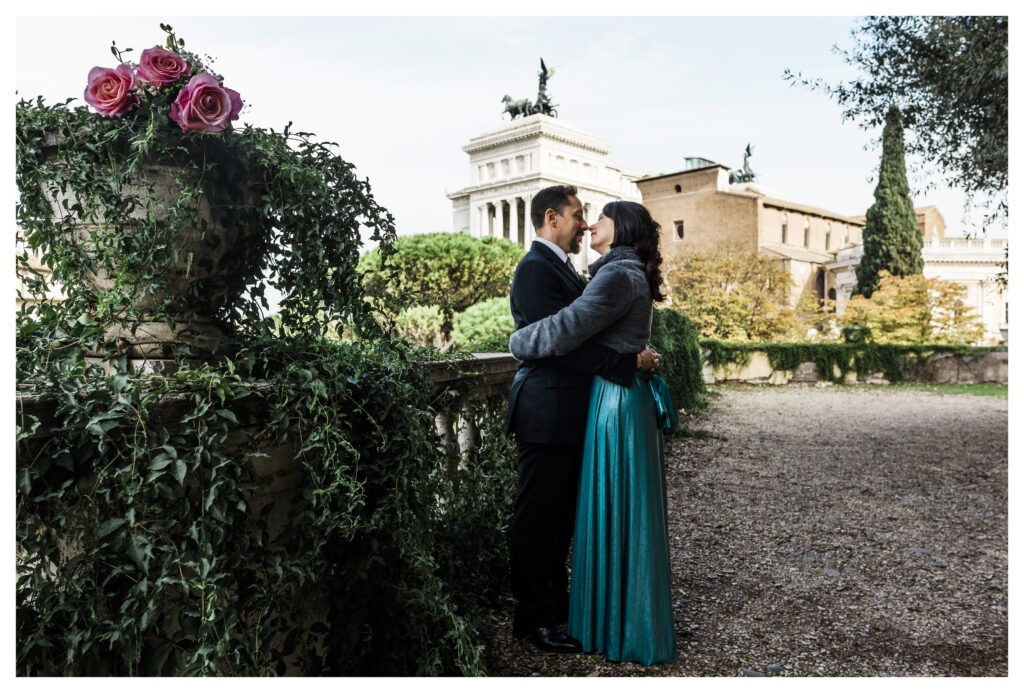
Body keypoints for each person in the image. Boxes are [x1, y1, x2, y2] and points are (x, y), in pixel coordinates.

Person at [509, 200, 677, 666]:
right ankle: (536, 616)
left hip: (596, 404)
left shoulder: (609, 273)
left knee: (577, 516)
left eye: (597, 217)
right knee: (543, 516)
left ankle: (587, 611)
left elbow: (573, 331)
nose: (588, 223)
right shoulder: (540, 269)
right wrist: (626, 359)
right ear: (551, 218)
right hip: (549, 408)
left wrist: (518, 342)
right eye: (582, 214)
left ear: (620, 229)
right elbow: (563, 339)